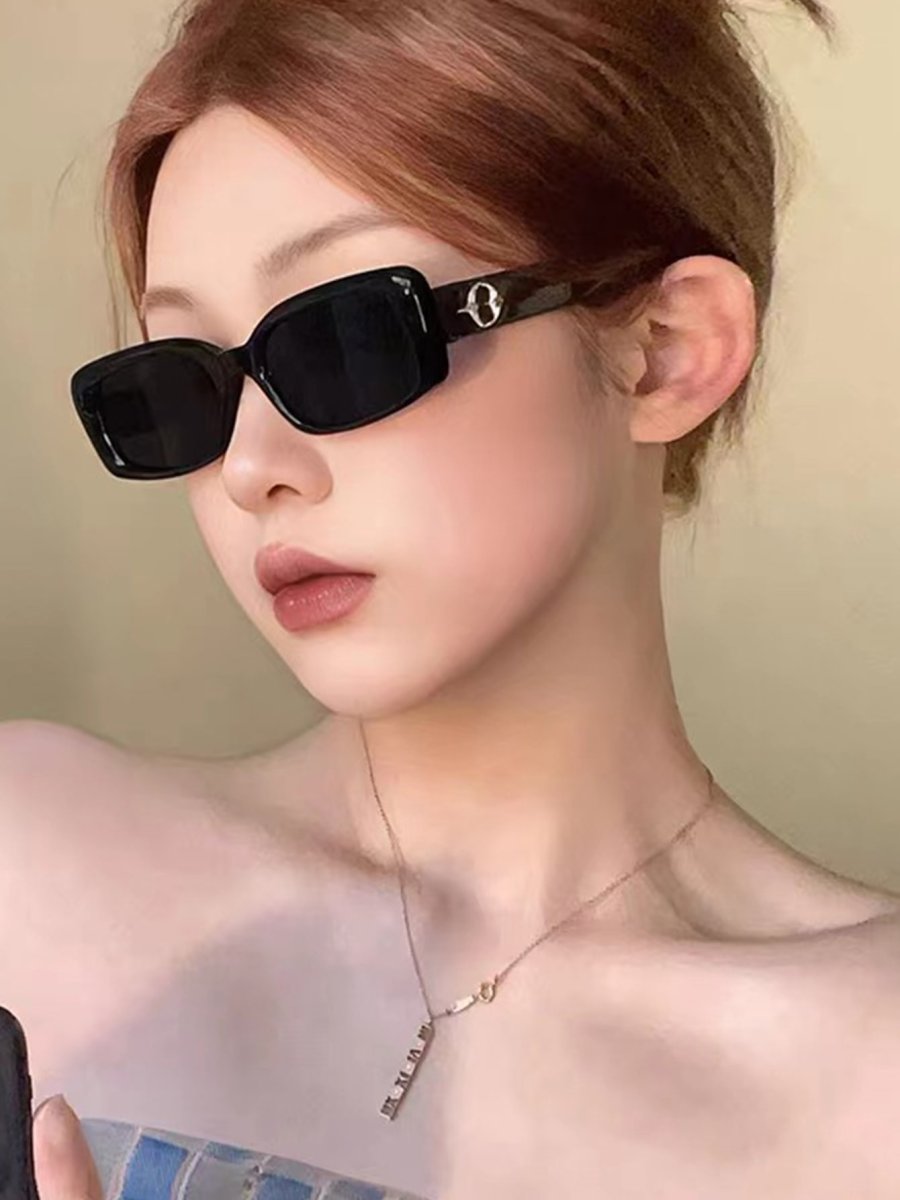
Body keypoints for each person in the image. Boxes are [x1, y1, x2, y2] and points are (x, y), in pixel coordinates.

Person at [6, 0, 900, 1196]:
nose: (252, 466)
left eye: (345, 339)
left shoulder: (872, 1068)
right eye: (183, 385)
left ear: (667, 348)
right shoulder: (28, 856)